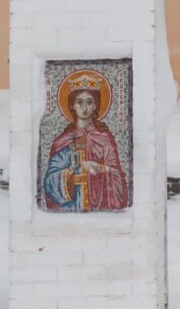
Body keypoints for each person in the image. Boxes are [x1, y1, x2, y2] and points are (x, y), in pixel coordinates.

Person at [41, 69, 129, 212]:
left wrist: (100, 168)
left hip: (100, 210)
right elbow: (50, 181)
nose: (84, 108)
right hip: (71, 210)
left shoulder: (105, 139)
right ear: (72, 105)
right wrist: (70, 170)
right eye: (79, 102)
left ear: (95, 106)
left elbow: (118, 177)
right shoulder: (62, 141)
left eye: (89, 102)